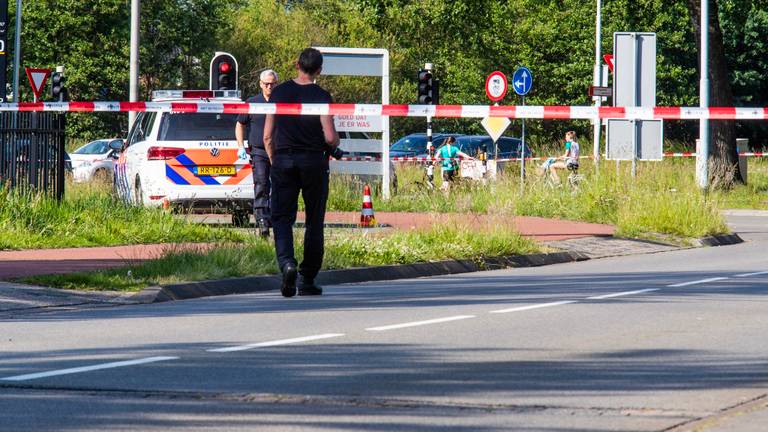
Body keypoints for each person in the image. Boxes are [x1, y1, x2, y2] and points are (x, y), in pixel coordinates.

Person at [263, 48, 340, 298]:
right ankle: (308, 278)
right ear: (319, 69)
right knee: (314, 220)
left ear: (297, 65)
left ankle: (287, 264)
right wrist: (335, 142)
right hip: (314, 162)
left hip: (284, 160)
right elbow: (330, 137)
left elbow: (266, 135)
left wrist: (275, 159)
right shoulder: (322, 97)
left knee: (282, 217)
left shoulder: (279, 93)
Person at [236, 69, 279, 237]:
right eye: (266, 84)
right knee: (261, 183)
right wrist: (241, 147)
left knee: (278, 185)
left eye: (272, 84)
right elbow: (240, 124)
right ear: (261, 84)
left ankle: (275, 216)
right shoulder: (252, 102)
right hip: (259, 151)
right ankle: (261, 218)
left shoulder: (282, 103)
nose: (269, 87)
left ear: (277, 84)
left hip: (278, 152)